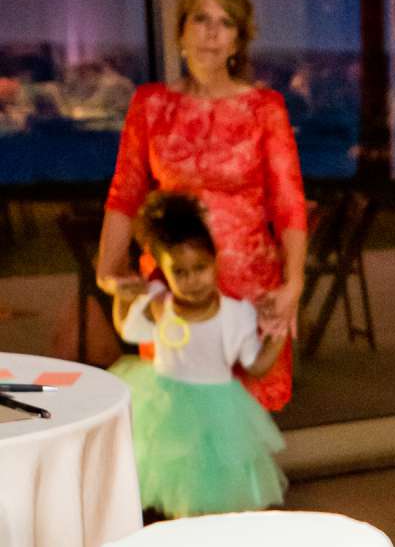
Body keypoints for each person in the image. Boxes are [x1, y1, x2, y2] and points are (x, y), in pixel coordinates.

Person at [96, 0, 307, 414]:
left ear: (237, 41)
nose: (212, 32)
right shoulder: (150, 104)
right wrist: (108, 268)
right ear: (181, 31)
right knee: (182, 423)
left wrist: (294, 283)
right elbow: (125, 192)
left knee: (243, 429)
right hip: (176, 285)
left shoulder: (264, 108)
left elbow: (288, 203)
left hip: (249, 292)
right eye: (201, 18)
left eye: (225, 22)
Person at [112, 191, 287, 518]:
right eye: (179, 272)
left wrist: (277, 336)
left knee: (214, 495)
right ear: (164, 271)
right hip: (166, 411)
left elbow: (256, 366)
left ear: (215, 260)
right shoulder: (159, 304)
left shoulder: (237, 314)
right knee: (176, 488)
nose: (192, 280)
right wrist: (123, 297)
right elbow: (128, 331)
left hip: (218, 415)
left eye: (200, 267)